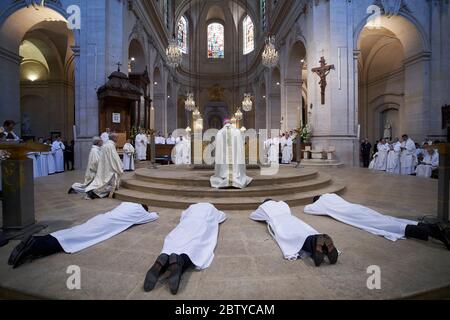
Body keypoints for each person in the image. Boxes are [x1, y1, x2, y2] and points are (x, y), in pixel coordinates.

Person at [8, 203, 158, 269]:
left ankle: (37, 240)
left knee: (74, 232)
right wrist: (155, 213)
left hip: (100, 219)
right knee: (75, 238)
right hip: (104, 227)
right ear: (143, 208)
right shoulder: (140, 212)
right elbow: (151, 216)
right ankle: (35, 246)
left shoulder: (126, 204)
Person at [305, 194, 450, 250]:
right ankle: (428, 228)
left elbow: (307, 209)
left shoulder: (320, 203)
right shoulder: (332, 195)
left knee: (385, 225)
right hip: (356, 208)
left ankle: (431, 231)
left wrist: (315, 202)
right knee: (385, 219)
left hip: (352, 215)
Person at [144, 203, 226, 294]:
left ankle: (164, 258)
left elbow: (183, 216)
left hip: (188, 221)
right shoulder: (212, 209)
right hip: (201, 222)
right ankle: (180, 260)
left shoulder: (192, 207)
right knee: (197, 244)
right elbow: (221, 217)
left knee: (176, 239)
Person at [251, 199, 338, 267]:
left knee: (293, 238)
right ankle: (322, 244)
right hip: (293, 219)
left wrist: (260, 207)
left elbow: (253, 216)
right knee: (304, 231)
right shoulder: (282, 204)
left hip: (278, 221)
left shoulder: (264, 207)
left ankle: (315, 242)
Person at [210, 119, 253, 189]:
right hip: (235, 155)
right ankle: (235, 175)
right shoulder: (237, 131)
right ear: (231, 123)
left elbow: (217, 147)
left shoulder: (220, 132)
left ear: (224, 124)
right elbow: (241, 145)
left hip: (224, 155)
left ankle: (224, 175)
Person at [85, 133, 124, 199]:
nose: (117, 139)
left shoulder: (105, 145)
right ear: (114, 138)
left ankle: (94, 191)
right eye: (117, 137)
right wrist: (120, 166)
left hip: (103, 167)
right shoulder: (111, 146)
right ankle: (95, 192)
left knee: (102, 180)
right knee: (107, 182)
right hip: (110, 168)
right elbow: (114, 158)